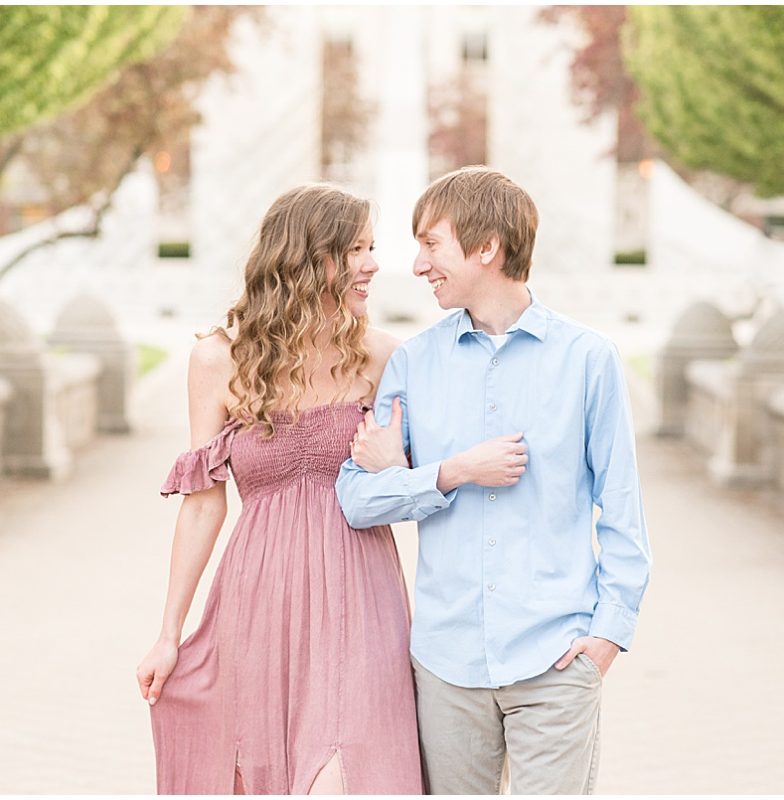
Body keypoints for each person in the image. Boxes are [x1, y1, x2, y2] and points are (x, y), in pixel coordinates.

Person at [335, 166, 652, 795]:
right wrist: (449, 473)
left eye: (432, 244)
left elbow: (622, 509)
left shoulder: (588, 360)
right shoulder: (413, 363)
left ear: (486, 247)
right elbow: (356, 497)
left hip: (557, 657)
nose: (418, 265)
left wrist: (606, 636)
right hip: (446, 664)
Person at [136, 184, 422, 795]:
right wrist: (168, 634)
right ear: (308, 257)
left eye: (372, 248)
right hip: (258, 600)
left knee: (348, 776)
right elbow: (203, 505)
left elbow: (417, 482)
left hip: (361, 598)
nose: (373, 264)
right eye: (357, 249)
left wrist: (398, 464)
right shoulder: (219, 361)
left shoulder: (384, 358)